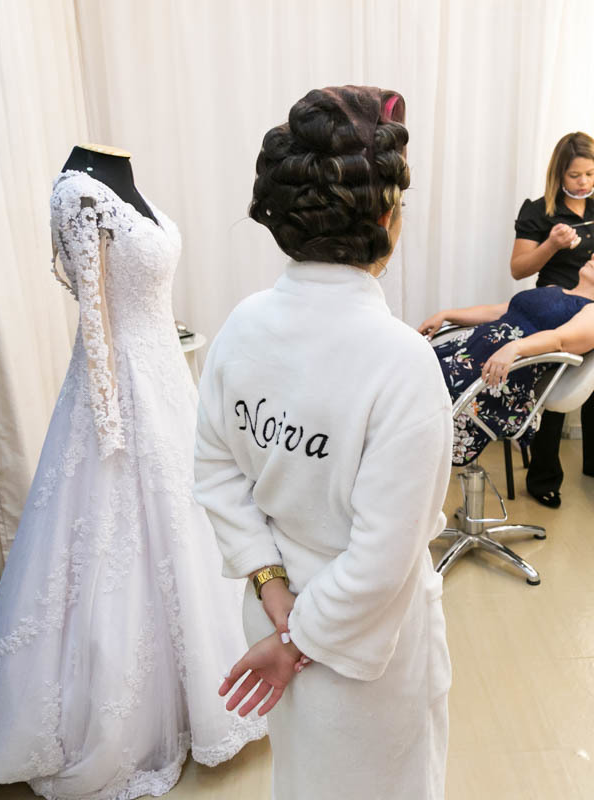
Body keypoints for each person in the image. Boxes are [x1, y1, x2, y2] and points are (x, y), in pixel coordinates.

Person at [0, 150, 265, 800]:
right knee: (117, 555)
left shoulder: (130, 190)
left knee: (185, 541)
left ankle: (202, 695)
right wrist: (111, 427)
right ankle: (115, 721)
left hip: (166, 382)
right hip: (121, 401)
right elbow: (94, 319)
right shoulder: (79, 193)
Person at [193, 86, 454, 800]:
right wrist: (297, 640)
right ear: (386, 217)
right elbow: (382, 557)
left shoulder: (242, 326)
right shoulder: (401, 361)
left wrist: (274, 598)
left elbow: (216, 475)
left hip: (275, 615)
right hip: (353, 641)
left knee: (305, 778)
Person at [419, 242, 594, 465]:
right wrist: (446, 315)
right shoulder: (553, 289)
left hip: (492, 379)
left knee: (411, 390)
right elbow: (497, 311)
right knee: (408, 372)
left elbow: (560, 340)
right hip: (466, 356)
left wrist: (516, 347)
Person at [509, 132, 594, 508]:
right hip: (555, 309)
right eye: (575, 176)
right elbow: (518, 269)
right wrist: (551, 244)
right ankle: (544, 477)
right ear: (558, 175)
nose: (584, 182)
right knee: (556, 391)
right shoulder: (539, 212)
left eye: (590, 173)